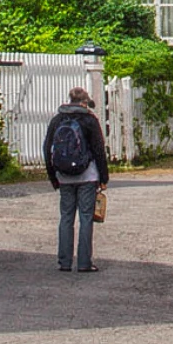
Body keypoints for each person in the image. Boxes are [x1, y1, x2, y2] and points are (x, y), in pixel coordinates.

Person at [44, 84, 110, 272]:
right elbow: (98, 149)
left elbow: (47, 147)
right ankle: (84, 263)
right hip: (87, 175)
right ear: (84, 102)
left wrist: (52, 175)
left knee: (66, 217)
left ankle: (64, 262)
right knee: (86, 218)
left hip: (63, 176)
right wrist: (103, 177)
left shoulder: (58, 119)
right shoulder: (89, 120)